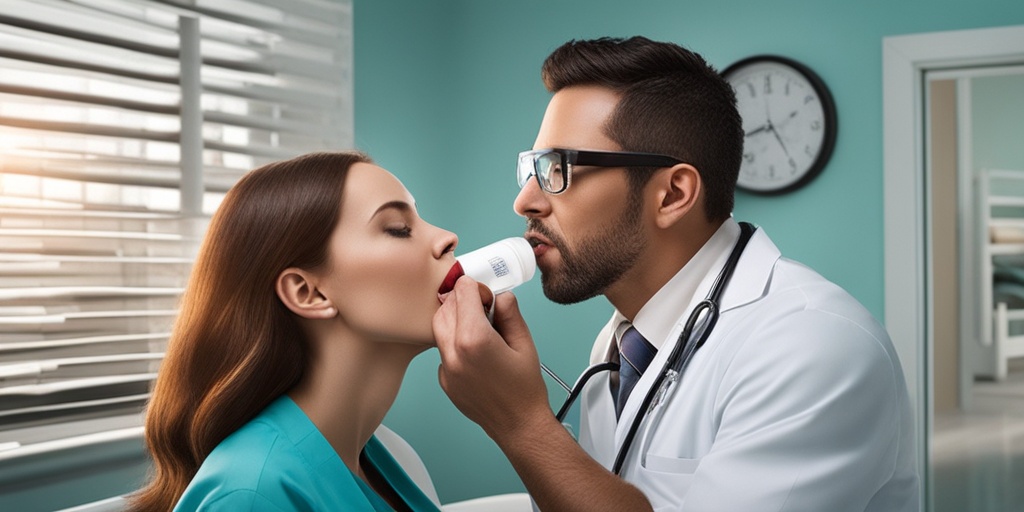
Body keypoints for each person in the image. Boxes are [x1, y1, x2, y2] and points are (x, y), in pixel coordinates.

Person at [433, 36, 919, 511]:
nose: (526, 201)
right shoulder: (621, 345)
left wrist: (522, 424)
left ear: (672, 195)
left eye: (557, 168)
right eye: (532, 169)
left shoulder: (813, 346)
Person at [131, 151, 457, 511]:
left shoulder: (382, 454)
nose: (447, 238)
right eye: (399, 229)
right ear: (308, 293)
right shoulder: (251, 495)